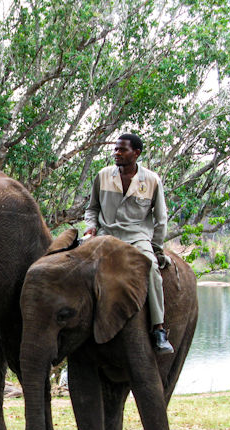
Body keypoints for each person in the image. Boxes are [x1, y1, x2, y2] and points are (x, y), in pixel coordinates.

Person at [84, 133, 174, 354]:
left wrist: (156, 247)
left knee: (151, 268)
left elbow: (161, 218)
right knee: (74, 266)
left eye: (122, 150)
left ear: (136, 153)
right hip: (106, 235)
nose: (116, 153)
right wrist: (90, 226)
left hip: (136, 237)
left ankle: (158, 329)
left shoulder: (152, 180)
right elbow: (92, 208)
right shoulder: (103, 175)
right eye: (115, 149)